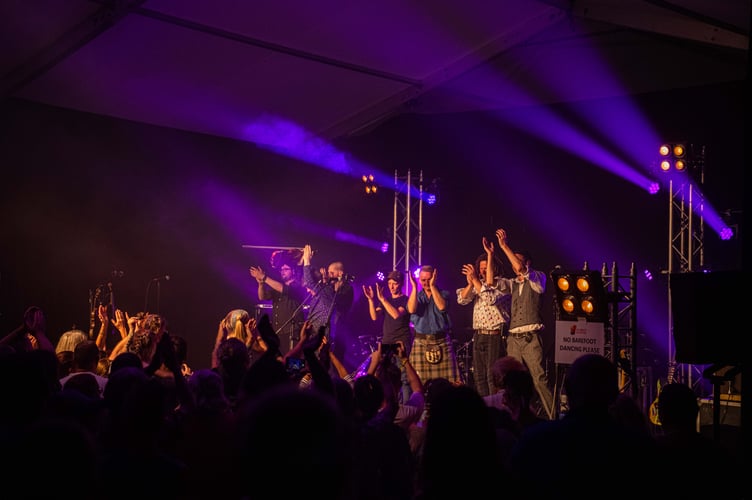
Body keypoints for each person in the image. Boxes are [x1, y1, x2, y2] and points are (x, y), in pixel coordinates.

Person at [495, 227, 555, 420]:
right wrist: (490, 255)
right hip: (513, 338)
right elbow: (490, 285)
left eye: (517, 259)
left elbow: (520, 269)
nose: (514, 264)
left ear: (527, 262)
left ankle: (552, 418)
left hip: (531, 338)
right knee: (512, 381)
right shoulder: (512, 283)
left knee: (539, 379)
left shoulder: (538, 277)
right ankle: (516, 416)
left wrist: (504, 247)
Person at [457, 236, 511, 397]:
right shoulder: (478, 285)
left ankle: (495, 407)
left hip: (495, 335)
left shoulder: (503, 284)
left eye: (486, 267)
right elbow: (462, 300)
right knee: (479, 377)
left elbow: (489, 297)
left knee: (491, 377)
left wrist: (475, 279)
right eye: (480, 268)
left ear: (494, 268)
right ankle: (484, 407)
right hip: (479, 334)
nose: (483, 271)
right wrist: (470, 283)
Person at [301, 244, 354, 368]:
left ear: (340, 273)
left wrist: (307, 261)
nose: (328, 275)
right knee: (305, 367)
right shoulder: (327, 289)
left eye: (331, 273)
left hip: (326, 336)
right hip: (313, 334)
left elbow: (310, 282)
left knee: (322, 369)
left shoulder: (344, 289)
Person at [407, 265, 460, 384]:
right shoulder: (417, 296)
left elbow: (442, 306)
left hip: (441, 342)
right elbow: (411, 309)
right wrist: (414, 287)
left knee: (449, 383)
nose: (426, 283)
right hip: (421, 342)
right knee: (419, 383)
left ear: (434, 278)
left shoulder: (444, 294)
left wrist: (432, 286)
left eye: (429, 279)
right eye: (423, 280)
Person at [249, 251, 307, 355]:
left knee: (293, 360)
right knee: (279, 359)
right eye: (281, 270)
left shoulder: (297, 285)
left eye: (286, 269)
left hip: (293, 331)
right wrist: (261, 284)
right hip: (278, 331)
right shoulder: (277, 286)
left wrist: (264, 277)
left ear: (293, 271)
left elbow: (284, 289)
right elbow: (262, 297)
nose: (282, 272)